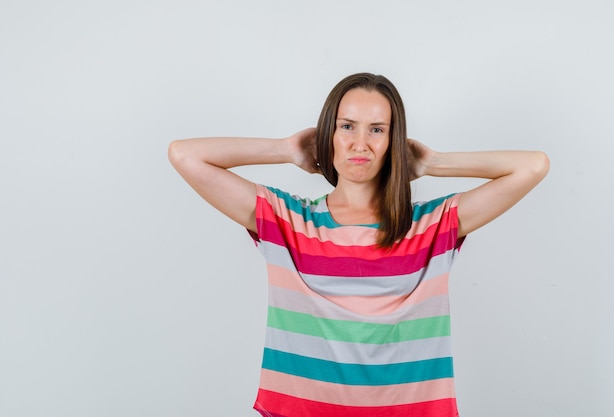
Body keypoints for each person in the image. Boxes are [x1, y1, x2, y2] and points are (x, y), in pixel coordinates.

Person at [168, 73, 549, 417]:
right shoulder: (288, 219)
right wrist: (286, 150)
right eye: (346, 126)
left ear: (393, 141)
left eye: (378, 130)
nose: (360, 143)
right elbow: (185, 155)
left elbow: (533, 166)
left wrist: (433, 163)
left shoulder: (431, 225)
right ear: (327, 134)